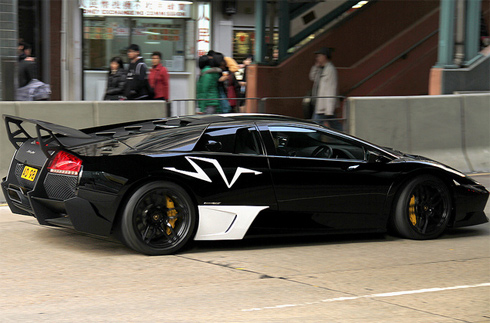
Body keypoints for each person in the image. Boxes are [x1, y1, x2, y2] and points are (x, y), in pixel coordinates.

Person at [309, 47, 342, 131]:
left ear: (324, 56)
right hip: (321, 104)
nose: (317, 58)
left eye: (319, 56)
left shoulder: (330, 70)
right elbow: (312, 77)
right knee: (334, 125)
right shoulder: (321, 69)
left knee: (315, 126)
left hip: (324, 106)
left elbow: (331, 88)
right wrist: (316, 67)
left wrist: (329, 109)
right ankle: (347, 136)